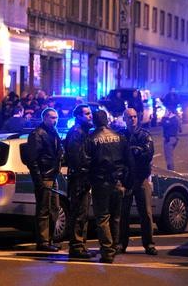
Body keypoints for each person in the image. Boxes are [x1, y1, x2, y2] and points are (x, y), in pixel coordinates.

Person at [86, 110, 129, 264]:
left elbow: (87, 162)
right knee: (115, 217)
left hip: (101, 182)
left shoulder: (91, 139)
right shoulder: (119, 137)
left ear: (96, 121)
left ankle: (107, 250)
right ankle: (115, 246)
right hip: (118, 182)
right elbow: (127, 160)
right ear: (107, 121)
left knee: (103, 218)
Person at [118, 108, 158, 256]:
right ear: (125, 119)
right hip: (127, 179)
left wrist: (135, 151)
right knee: (123, 213)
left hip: (141, 178)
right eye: (130, 117)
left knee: (146, 213)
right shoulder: (121, 135)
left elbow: (148, 153)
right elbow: (118, 155)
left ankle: (149, 244)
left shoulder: (144, 135)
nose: (133, 119)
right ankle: (121, 243)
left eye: (135, 116)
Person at [25, 108, 64, 252]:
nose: (55, 120)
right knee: (44, 209)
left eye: (56, 117)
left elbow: (59, 151)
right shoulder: (37, 134)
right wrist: (38, 179)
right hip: (44, 176)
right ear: (45, 118)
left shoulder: (53, 133)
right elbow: (33, 159)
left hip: (52, 175)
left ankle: (49, 239)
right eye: (52, 117)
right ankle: (43, 241)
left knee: (54, 208)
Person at [65, 104, 94, 259]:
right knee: (79, 213)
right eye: (87, 114)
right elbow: (78, 159)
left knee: (83, 213)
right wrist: (85, 174)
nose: (90, 116)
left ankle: (80, 245)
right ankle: (77, 246)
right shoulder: (77, 133)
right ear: (78, 116)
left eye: (90, 113)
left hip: (82, 179)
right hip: (79, 180)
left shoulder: (83, 132)